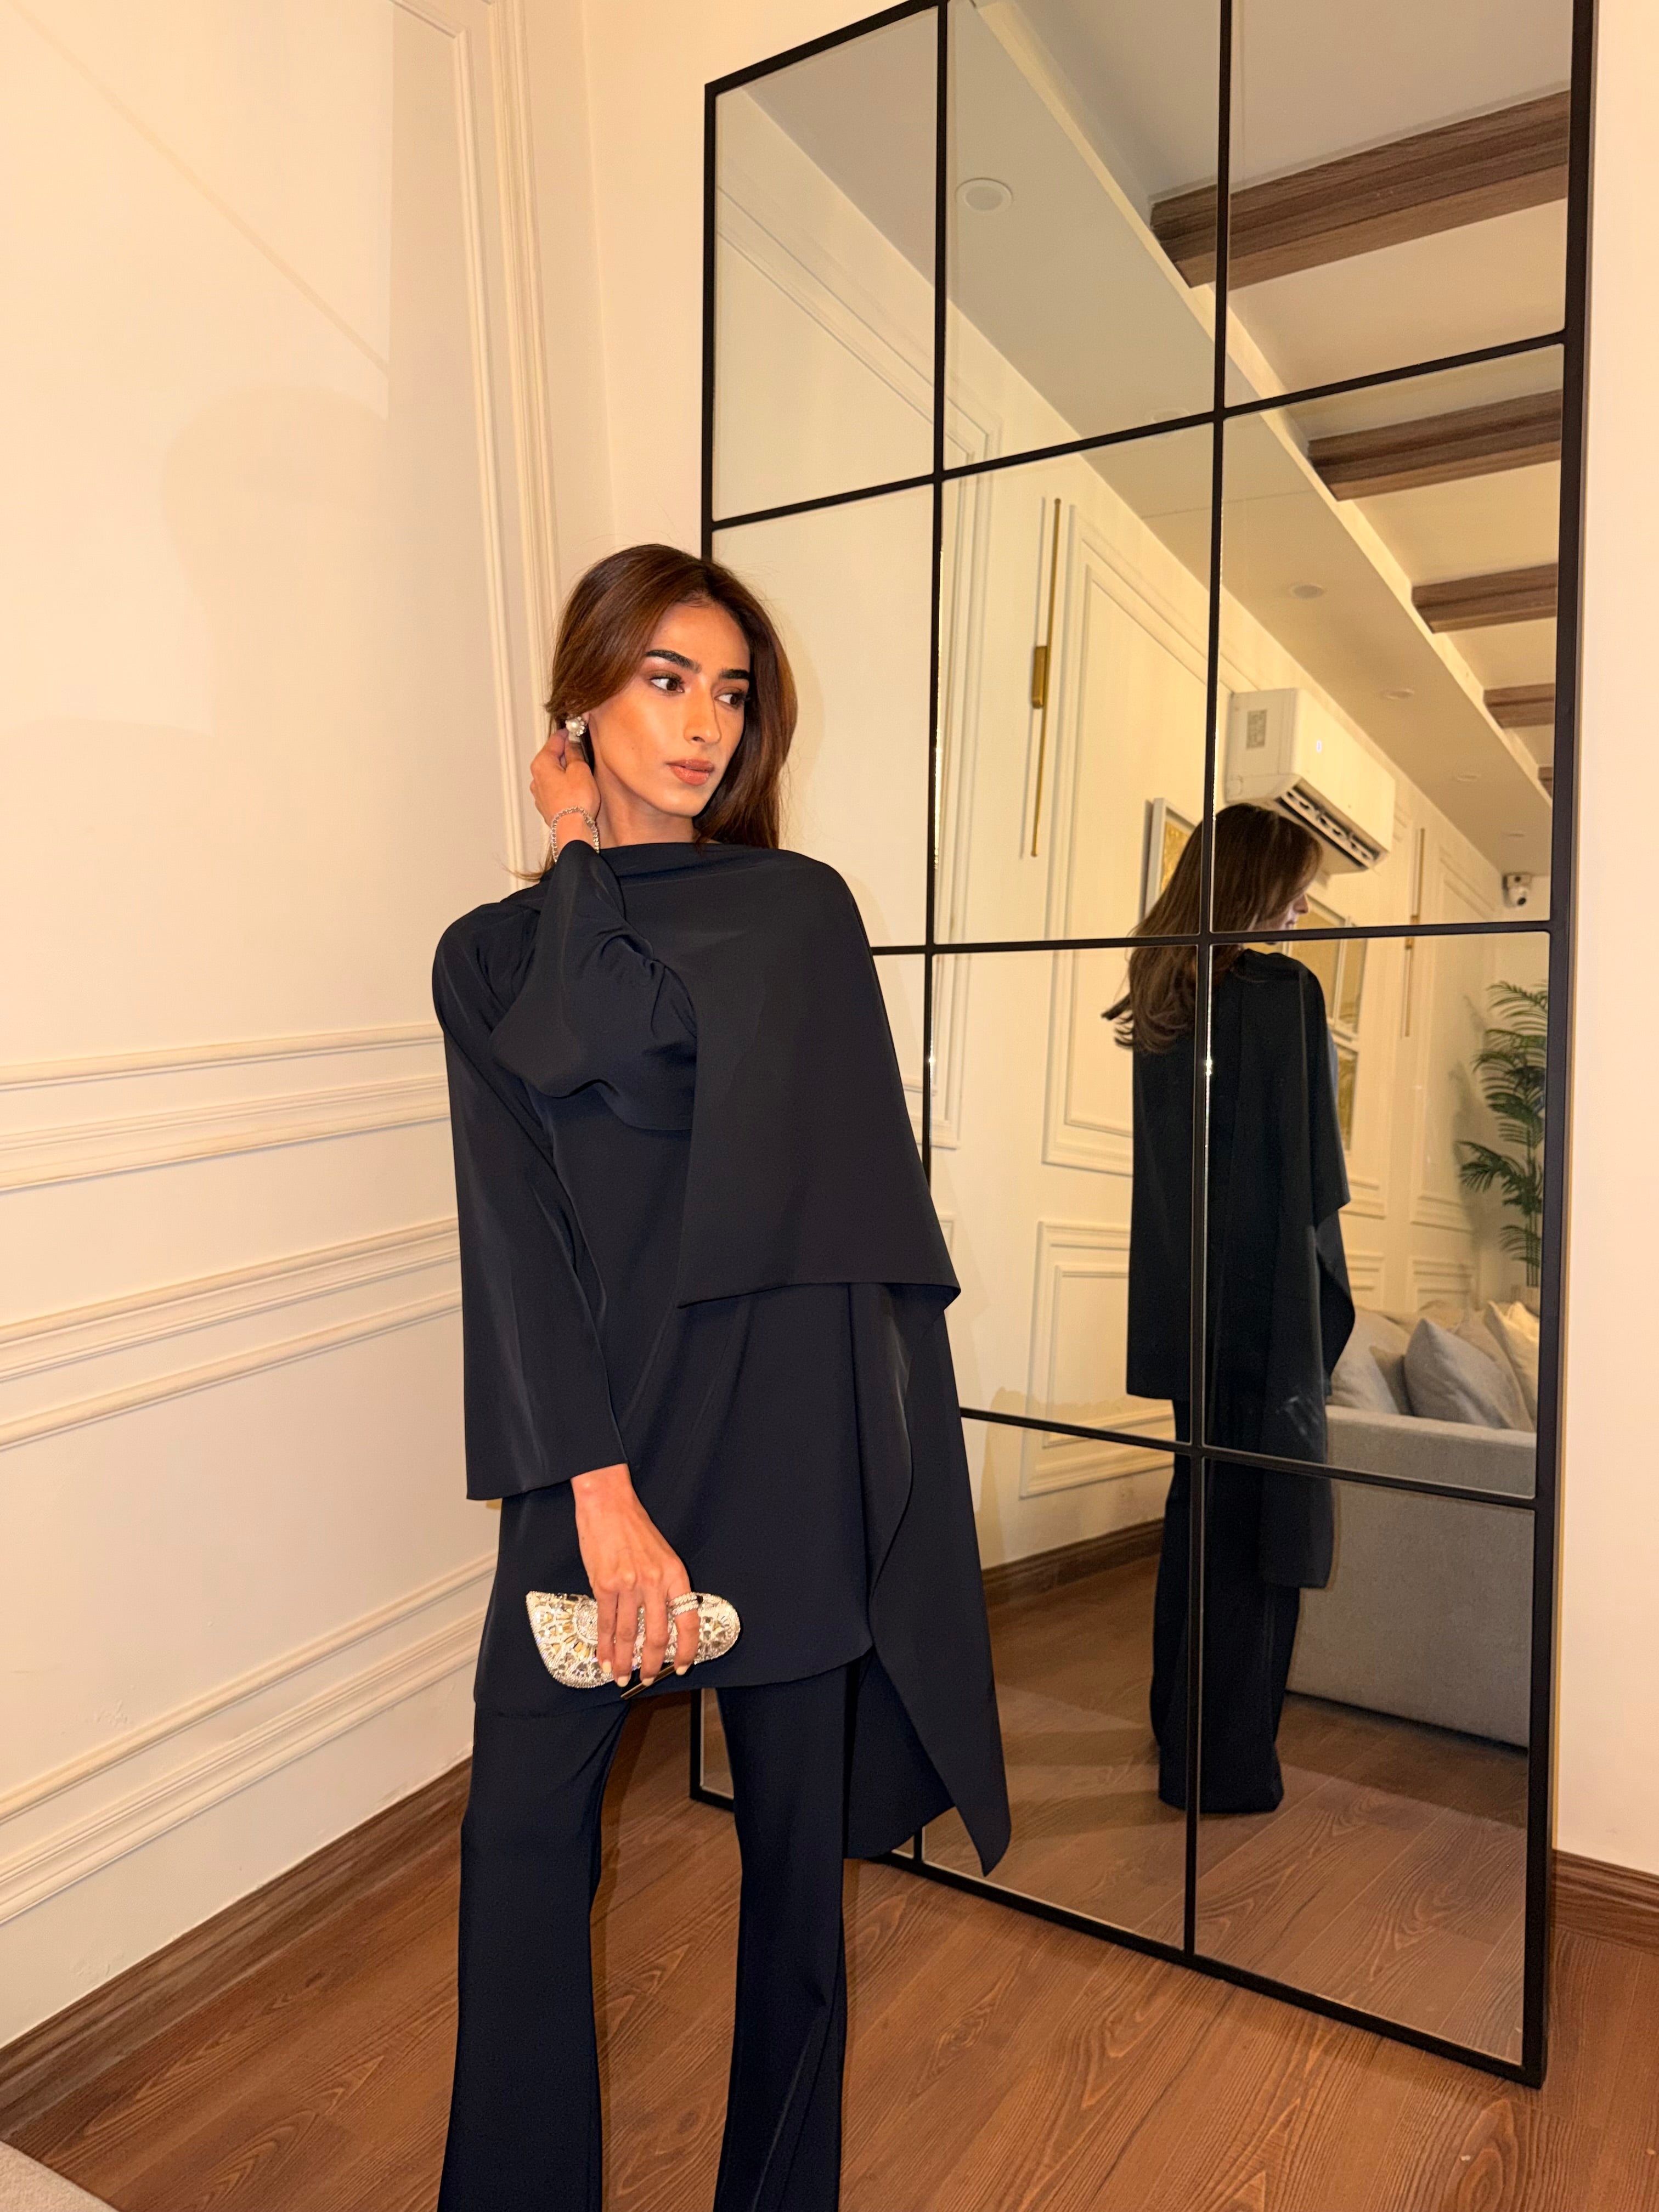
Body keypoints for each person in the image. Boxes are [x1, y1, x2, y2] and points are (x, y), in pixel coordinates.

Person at [431, 543, 1008, 2211]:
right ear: (582, 702)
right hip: (594, 1449)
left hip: (778, 1443)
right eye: (663, 680)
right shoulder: (490, 958)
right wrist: (595, 1495)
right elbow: (519, 1234)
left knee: (792, 1888)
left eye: (730, 694)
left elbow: (688, 1088)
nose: (702, 726)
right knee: (520, 1847)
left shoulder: (793, 914)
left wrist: (578, 848)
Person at [1107, 803, 1354, 1816]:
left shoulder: (1165, 988)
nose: (1300, 912)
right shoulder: (1280, 991)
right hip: (1262, 1308)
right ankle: (1223, 1768)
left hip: (1187, 1308)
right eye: (1293, 892)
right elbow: (1313, 1179)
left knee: (1199, 1512)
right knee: (1256, 1535)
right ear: (1255, 885)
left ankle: (1180, 1727)